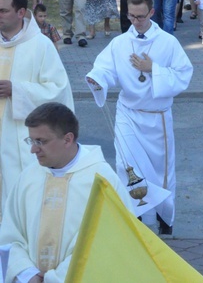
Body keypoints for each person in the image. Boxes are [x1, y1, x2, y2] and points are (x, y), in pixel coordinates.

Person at [86, 0, 193, 235]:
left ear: (152, 13)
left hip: (157, 118)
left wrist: (153, 68)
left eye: (141, 17)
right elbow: (105, 69)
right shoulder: (120, 43)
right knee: (128, 167)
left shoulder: (168, 42)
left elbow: (184, 75)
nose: (135, 22)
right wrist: (98, 79)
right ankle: (139, 221)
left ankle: (165, 218)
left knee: (159, 173)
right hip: (129, 114)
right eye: (131, 17)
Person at [0, 102, 132, 283]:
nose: (33, 149)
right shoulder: (28, 177)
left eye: (41, 141)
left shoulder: (102, 180)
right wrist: (26, 273)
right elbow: (10, 232)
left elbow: (111, 241)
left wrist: (57, 279)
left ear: (68, 139)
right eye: (31, 140)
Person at [0, 0, 74, 210]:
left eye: (2, 11)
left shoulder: (40, 45)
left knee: (20, 197)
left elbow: (58, 90)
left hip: (20, 137)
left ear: (21, 12)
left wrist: (17, 90)